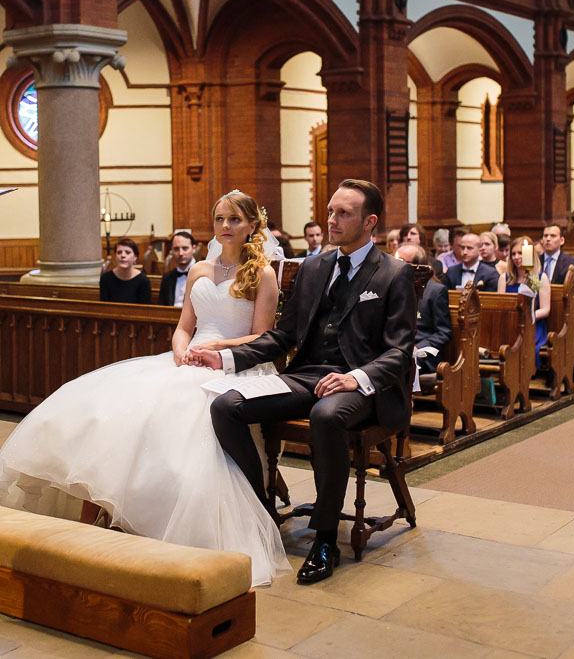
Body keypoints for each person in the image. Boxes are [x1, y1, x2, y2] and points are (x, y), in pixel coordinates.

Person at [0, 190, 290, 586]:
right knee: (107, 413)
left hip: (233, 366)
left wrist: (218, 349)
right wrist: (180, 351)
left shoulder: (263, 274)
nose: (225, 226)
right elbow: (184, 325)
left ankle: (146, 520)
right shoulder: (200, 271)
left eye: (235, 220)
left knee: (178, 425)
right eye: (220, 218)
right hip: (188, 360)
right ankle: (90, 525)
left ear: (252, 226)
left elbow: (261, 337)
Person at [190, 179, 416, 585]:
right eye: (331, 211)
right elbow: (283, 336)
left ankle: (325, 538)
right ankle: (261, 510)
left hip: (362, 386)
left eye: (343, 213)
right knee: (226, 406)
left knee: (326, 417)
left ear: (370, 222)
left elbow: (399, 352)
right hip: (306, 374)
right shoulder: (314, 267)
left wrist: (355, 377)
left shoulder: (394, 274)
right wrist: (225, 357)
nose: (332, 219)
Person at [396, 244, 450, 375]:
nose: (396, 266)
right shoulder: (393, 287)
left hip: (422, 352)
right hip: (397, 347)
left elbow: (443, 333)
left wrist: (418, 347)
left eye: (402, 262)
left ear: (418, 267)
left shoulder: (436, 291)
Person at [498, 236, 551, 366]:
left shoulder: (538, 278)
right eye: (513, 254)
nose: (516, 257)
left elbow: (545, 309)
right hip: (510, 325)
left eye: (521, 253)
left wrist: (527, 317)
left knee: (526, 346)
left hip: (532, 324)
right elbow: (500, 306)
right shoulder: (505, 278)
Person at [100, 238, 151, 304]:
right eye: (119, 252)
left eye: (127, 252)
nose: (123, 255)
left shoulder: (143, 281)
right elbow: (104, 308)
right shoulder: (106, 279)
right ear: (115, 256)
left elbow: (144, 310)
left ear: (135, 257)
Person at [158, 230, 197, 306]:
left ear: (194, 249)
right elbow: (161, 308)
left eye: (185, 248)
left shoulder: (204, 275)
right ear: (171, 250)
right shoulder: (167, 278)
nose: (180, 253)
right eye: (176, 249)